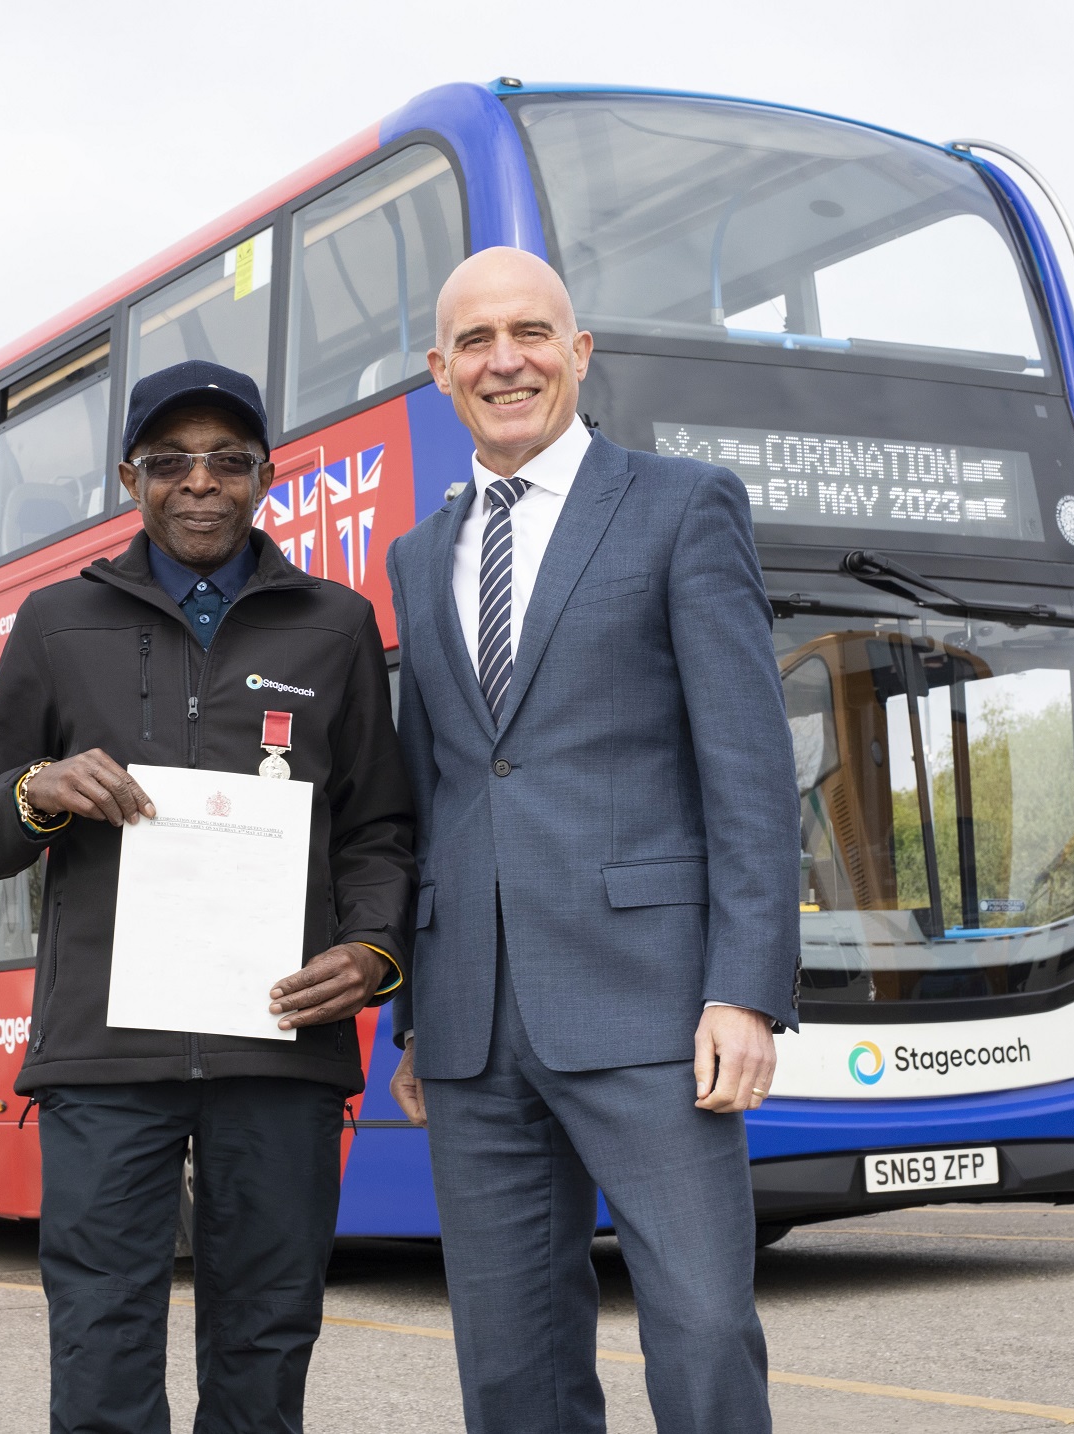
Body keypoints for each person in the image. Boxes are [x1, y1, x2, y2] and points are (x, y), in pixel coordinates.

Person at [0, 359, 414, 1434]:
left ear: (265, 476)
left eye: (227, 460)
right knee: (102, 1339)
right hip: (105, 1061)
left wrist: (375, 950)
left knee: (266, 1343)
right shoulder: (57, 624)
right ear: (130, 479)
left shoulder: (336, 627)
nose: (198, 482)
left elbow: (381, 829)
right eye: (171, 462)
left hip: (279, 1048)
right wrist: (38, 788)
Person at [383, 248, 801, 1434]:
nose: (504, 359)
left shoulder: (682, 503)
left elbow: (750, 769)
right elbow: (435, 786)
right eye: (475, 341)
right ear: (439, 370)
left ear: (580, 352)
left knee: (706, 1327)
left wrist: (746, 990)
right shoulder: (423, 554)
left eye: (530, 333)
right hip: (473, 1022)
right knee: (511, 1365)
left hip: (654, 1006)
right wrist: (418, 1015)